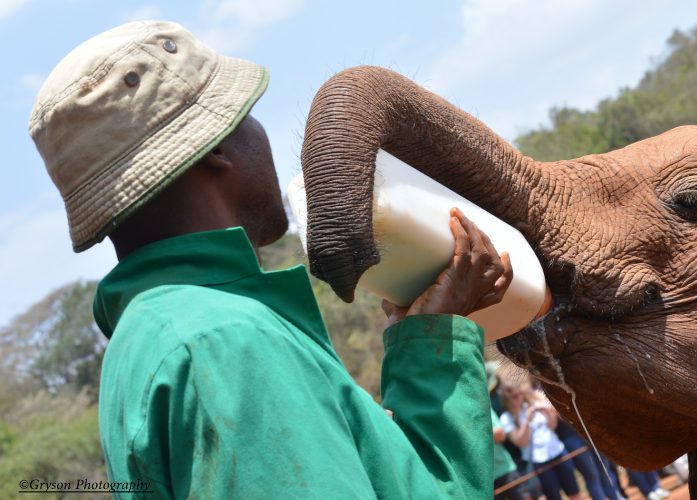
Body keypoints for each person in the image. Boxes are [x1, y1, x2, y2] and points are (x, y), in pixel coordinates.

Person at [28, 20, 512, 498]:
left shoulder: (152, 337)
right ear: (217, 148)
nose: (263, 134)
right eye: (247, 115)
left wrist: (426, 342)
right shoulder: (224, 343)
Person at [500, 377, 581, 500]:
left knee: (574, 493)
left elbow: (553, 426)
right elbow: (521, 442)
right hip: (539, 462)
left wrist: (548, 413)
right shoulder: (507, 418)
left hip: (558, 452)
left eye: (520, 393)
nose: (519, 398)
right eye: (514, 396)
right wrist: (527, 421)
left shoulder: (532, 403)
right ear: (507, 400)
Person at [487, 363, 532, 500]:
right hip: (513, 453)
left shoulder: (497, 399)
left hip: (510, 455)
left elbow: (500, 434)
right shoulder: (497, 400)